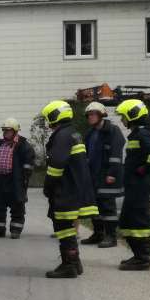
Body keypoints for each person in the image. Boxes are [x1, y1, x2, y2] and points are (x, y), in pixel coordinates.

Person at [40, 100, 98, 278]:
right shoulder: (72, 133)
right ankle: (75, 263)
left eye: (49, 118)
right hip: (74, 187)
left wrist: (48, 186)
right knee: (67, 227)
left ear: (55, 115)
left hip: (66, 189)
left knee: (64, 227)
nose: (48, 122)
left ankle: (69, 265)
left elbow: (57, 164)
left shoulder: (62, 135)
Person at [114, 99, 150, 270]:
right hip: (133, 186)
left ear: (133, 116)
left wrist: (144, 170)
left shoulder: (142, 134)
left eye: (124, 116)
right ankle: (138, 256)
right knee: (127, 220)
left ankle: (143, 259)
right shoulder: (137, 134)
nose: (122, 120)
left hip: (139, 186)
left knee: (138, 220)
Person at [81, 101, 125, 248]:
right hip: (93, 176)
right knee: (95, 207)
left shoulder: (113, 131)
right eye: (89, 115)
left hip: (107, 176)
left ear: (101, 115)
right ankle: (98, 234)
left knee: (108, 207)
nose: (90, 117)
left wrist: (112, 173)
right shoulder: (90, 133)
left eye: (93, 114)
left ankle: (111, 237)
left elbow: (116, 155)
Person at [0, 119, 36, 239]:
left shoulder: (23, 145)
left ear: (15, 131)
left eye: (8, 130)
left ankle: (15, 230)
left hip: (15, 180)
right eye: (4, 130)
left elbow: (28, 165)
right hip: (0, 179)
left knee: (17, 206)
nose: (5, 133)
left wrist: (24, 179)